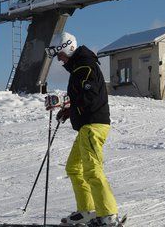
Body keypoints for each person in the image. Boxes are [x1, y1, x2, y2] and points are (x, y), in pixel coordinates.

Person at [44, 32, 120, 227]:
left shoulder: (85, 66)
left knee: (93, 170)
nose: (58, 58)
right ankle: (86, 211)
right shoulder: (79, 67)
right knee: (73, 168)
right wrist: (69, 111)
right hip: (86, 125)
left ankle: (109, 215)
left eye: (59, 53)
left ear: (68, 47)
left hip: (93, 126)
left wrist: (64, 101)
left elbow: (90, 95)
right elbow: (83, 99)